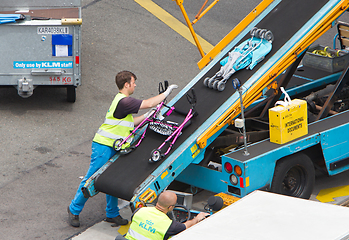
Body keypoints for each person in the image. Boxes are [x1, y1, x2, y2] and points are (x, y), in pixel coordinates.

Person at [68, 71, 178, 227]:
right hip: (104, 146)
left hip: (112, 146)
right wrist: (166, 93)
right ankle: (74, 209)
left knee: (111, 180)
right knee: (91, 179)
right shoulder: (124, 101)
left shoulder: (122, 104)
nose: (135, 85)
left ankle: (112, 214)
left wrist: (148, 116)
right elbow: (147, 102)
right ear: (126, 84)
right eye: (133, 82)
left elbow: (131, 122)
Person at [124, 191, 210, 240]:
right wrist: (197, 218)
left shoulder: (139, 211)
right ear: (170, 207)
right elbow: (185, 226)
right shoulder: (169, 225)